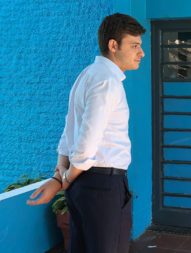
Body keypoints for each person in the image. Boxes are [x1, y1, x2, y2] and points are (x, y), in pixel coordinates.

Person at [27, 13, 146, 253]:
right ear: (114, 46)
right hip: (102, 187)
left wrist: (60, 177)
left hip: (85, 187)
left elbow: (68, 131)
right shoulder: (107, 82)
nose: (141, 53)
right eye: (135, 46)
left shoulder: (87, 75)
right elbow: (86, 143)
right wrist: (65, 180)